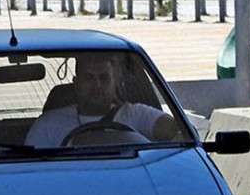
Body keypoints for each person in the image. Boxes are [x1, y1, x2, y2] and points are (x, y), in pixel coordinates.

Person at [25, 53, 179, 147]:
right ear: (76, 83)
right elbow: (31, 172)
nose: (97, 85)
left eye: (104, 78)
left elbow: (179, 134)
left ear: (115, 84)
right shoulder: (47, 125)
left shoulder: (136, 114)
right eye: (89, 78)